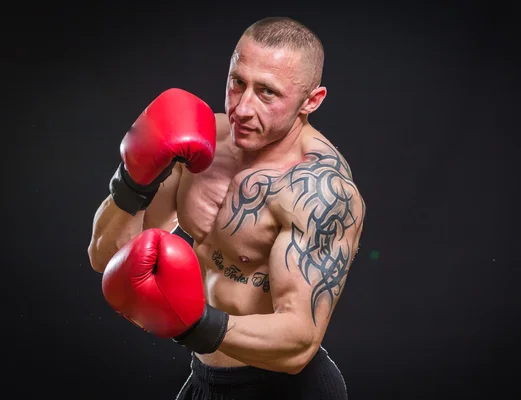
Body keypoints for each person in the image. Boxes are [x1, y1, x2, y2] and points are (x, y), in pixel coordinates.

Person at [88, 16, 366, 400]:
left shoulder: (318, 189)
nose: (242, 108)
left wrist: (191, 324)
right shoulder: (202, 143)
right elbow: (107, 259)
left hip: (285, 390)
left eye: (267, 92)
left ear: (311, 101)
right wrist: (132, 182)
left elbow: (300, 342)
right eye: (238, 82)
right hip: (206, 378)